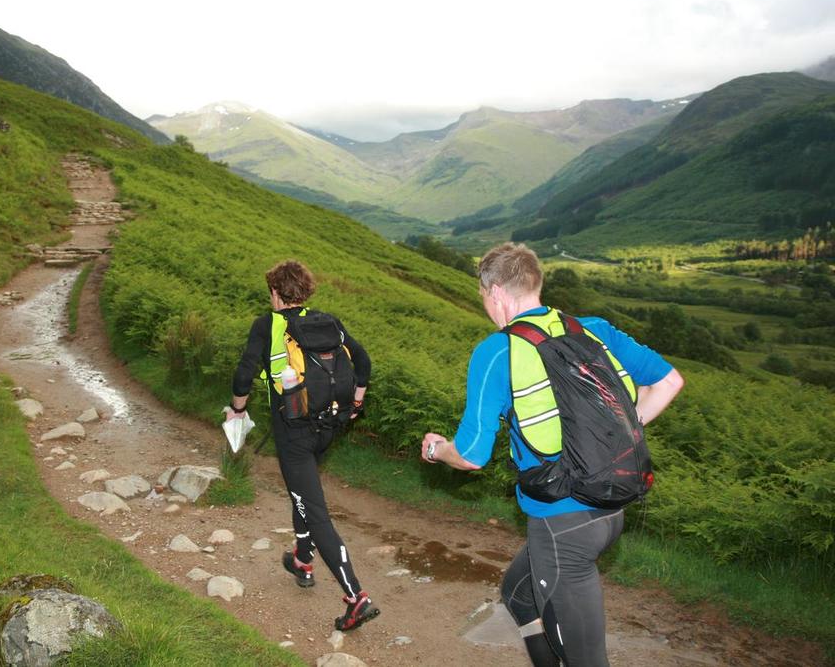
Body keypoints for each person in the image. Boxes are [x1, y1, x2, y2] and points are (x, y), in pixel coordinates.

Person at [421, 243, 683, 666]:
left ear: (497, 294)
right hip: (610, 506)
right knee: (518, 595)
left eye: (484, 299)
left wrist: (436, 450)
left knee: (585, 660)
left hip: (562, 525)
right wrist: (612, 437)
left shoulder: (496, 352)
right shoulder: (592, 327)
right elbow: (669, 382)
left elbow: (470, 456)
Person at [226, 259, 380, 631]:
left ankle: (355, 597)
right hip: (329, 426)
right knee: (302, 495)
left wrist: (236, 410)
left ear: (276, 293)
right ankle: (302, 560)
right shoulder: (328, 322)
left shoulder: (267, 325)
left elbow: (245, 372)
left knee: (314, 509)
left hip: (293, 432)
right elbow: (362, 360)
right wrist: (356, 402)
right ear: (306, 292)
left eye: (271, 293)